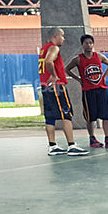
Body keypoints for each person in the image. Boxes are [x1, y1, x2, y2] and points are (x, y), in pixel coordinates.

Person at [38, 28, 88, 156]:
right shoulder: (54, 48)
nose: (64, 39)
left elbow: (46, 61)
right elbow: (49, 61)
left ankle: (52, 145)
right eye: (62, 36)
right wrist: (54, 75)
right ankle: (71, 145)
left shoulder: (43, 48)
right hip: (56, 86)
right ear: (56, 36)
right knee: (66, 114)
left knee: (49, 117)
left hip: (45, 86)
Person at [65, 34, 108, 149]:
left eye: (91, 42)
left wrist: (104, 76)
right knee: (90, 117)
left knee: (106, 116)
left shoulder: (99, 56)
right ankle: (92, 138)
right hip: (88, 91)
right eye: (86, 43)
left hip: (101, 89)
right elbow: (67, 69)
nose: (89, 45)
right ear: (82, 45)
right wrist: (78, 79)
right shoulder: (78, 59)